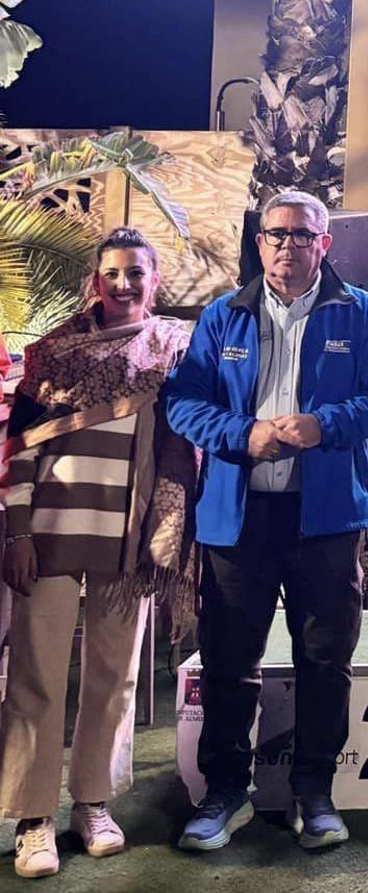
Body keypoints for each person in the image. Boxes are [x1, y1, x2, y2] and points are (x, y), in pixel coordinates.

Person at [165, 191, 368, 853]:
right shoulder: (224, 315)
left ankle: (315, 792)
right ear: (260, 240)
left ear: (323, 244)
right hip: (238, 522)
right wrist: (244, 436)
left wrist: (322, 426)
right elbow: (182, 401)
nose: (286, 245)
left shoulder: (361, 314)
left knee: (325, 660)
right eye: (275, 233)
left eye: (302, 235)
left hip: (324, 522)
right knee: (227, 661)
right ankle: (224, 794)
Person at [1, 228, 200, 878]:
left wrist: (164, 537)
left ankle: (93, 803)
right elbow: (21, 444)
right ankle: (34, 817)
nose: (122, 284)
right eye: (111, 273)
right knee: (36, 676)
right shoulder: (56, 351)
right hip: (52, 536)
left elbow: (179, 447)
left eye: (134, 273)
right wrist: (19, 530)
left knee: (114, 679)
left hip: (127, 538)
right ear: (96, 280)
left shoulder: (172, 347)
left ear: (154, 278)